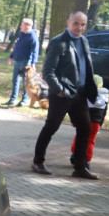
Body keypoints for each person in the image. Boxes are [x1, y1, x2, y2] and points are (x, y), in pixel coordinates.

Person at [32, 11, 99, 179]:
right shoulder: (58, 42)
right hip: (62, 95)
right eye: (76, 23)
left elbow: (86, 66)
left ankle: (80, 166)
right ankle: (37, 161)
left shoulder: (83, 40)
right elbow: (48, 71)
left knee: (85, 128)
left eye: (83, 24)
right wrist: (59, 90)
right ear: (68, 22)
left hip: (80, 94)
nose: (79, 27)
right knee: (51, 127)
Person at [69, 75, 108, 171]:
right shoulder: (105, 97)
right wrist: (101, 123)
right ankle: (86, 159)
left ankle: (75, 154)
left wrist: (74, 120)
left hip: (83, 120)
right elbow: (104, 112)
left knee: (79, 136)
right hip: (96, 122)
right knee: (91, 141)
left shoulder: (85, 94)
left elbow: (78, 108)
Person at [4, 18, 40, 106]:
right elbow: (17, 47)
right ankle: (12, 99)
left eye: (22, 25)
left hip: (26, 62)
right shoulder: (21, 34)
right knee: (15, 80)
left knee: (26, 82)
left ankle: (24, 101)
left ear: (27, 26)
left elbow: (35, 51)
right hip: (17, 60)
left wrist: (33, 63)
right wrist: (11, 57)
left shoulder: (33, 36)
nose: (21, 26)